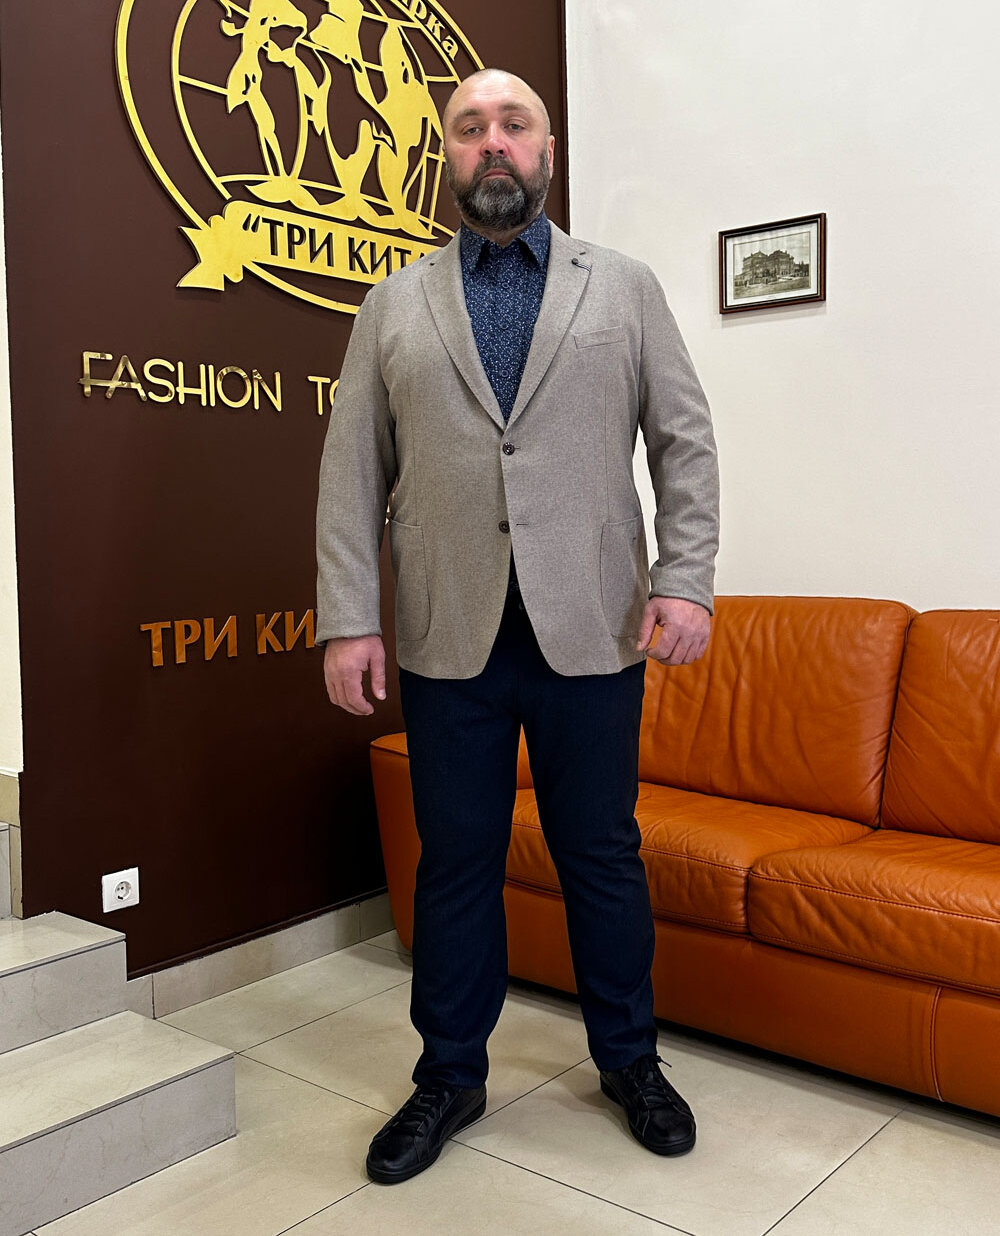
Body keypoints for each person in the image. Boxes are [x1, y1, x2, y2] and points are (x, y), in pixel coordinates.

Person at [315, 67, 720, 1185]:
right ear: (446, 154)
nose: (492, 142)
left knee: (601, 855)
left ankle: (630, 1060)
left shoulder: (623, 287)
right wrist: (347, 618)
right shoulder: (392, 304)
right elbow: (350, 471)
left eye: (514, 124)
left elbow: (683, 440)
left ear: (547, 149)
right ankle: (448, 1074)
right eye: (470, 127)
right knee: (456, 862)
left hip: (592, 624)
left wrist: (686, 579)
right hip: (448, 630)